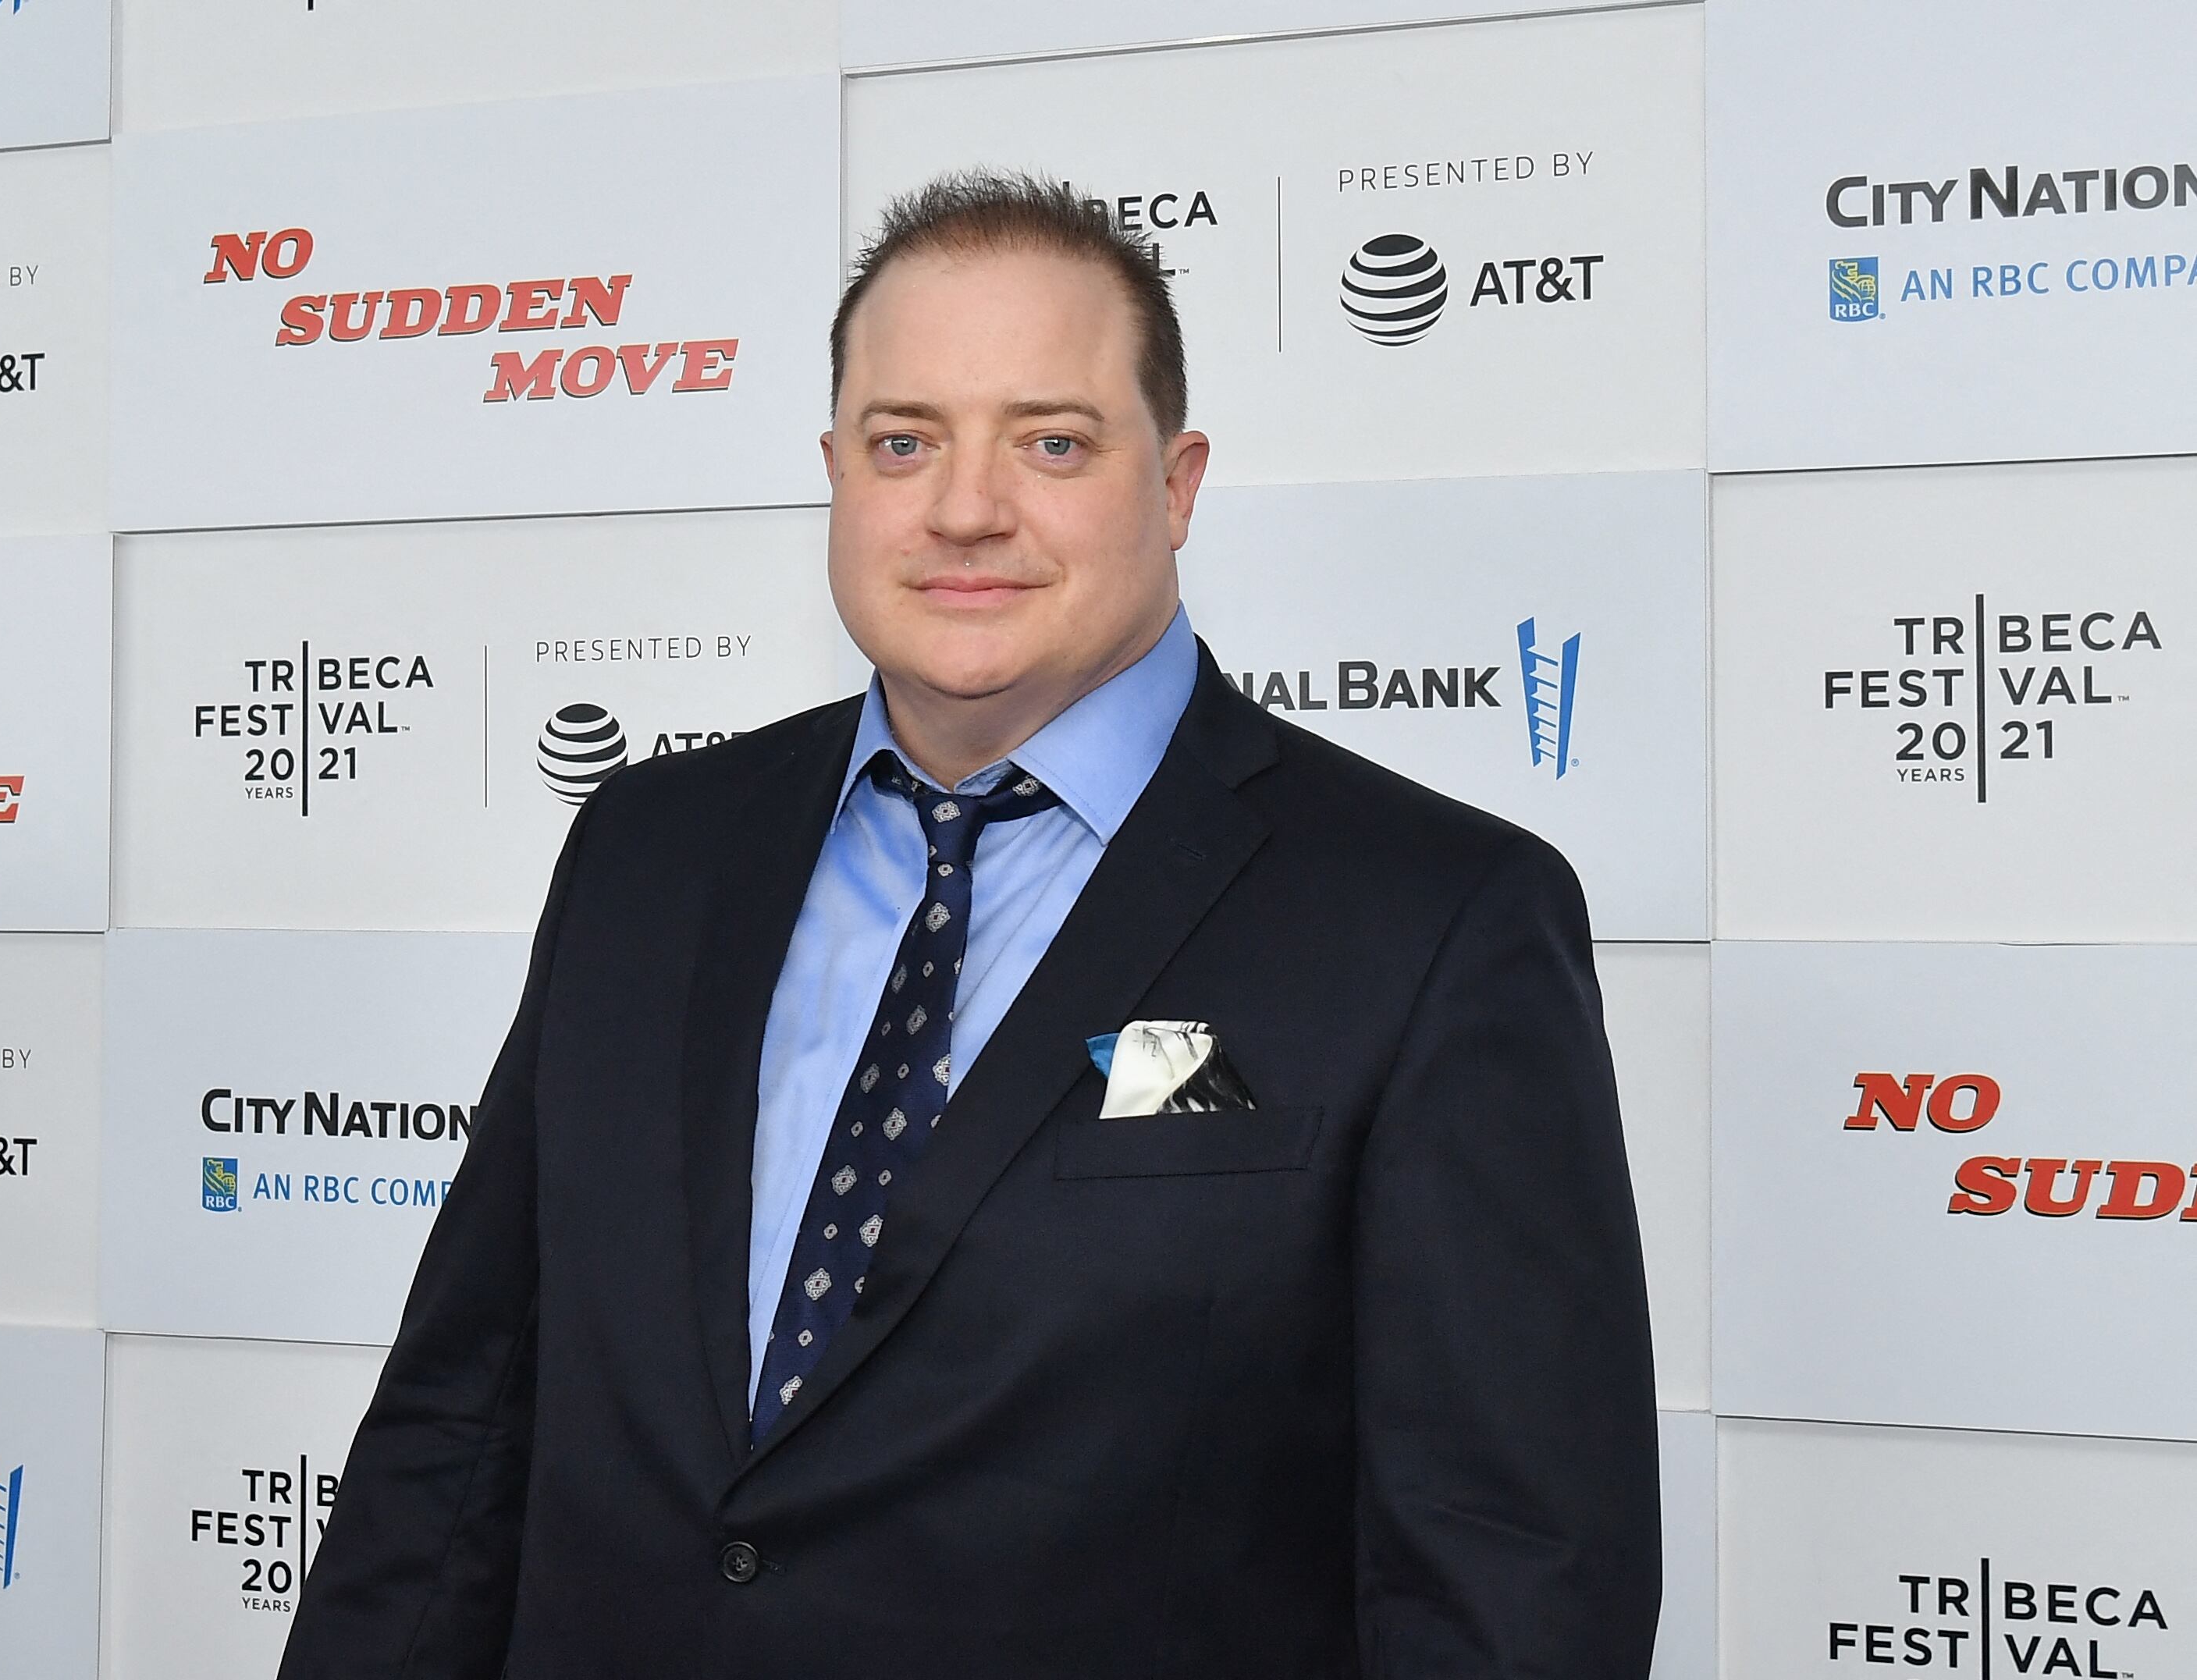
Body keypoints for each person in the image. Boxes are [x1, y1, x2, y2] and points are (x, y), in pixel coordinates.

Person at [278, 169, 1660, 1679]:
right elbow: (461, 1423)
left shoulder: (1433, 919)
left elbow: (1513, 1578)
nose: (964, 508)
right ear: (834, 471)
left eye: (1052, 441)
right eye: (902, 442)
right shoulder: (644, 854)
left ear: (1179, 480)